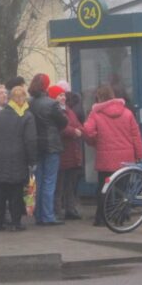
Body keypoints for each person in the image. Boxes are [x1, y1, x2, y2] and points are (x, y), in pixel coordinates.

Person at [83, 84, 142, 226]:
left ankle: (101, 218)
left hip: (106, 159)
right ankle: (120, 217)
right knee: (122, 189)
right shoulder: (127, 113)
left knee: (103, 189)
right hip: (126, 159)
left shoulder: (96, 114)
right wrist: (139, 154)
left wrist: (94, 141)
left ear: (99, 97)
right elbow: (136, 136)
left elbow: (87, 130)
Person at [0, 85, 38, 231]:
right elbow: (30, 141)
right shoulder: (27, 116)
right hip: (18, 159)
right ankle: (16, 223)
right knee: (15, 192)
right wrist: (32, 160)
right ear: (23, 99)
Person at [29, 73, 67, 225]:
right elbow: (63, 122)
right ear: (46, 86)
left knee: (37, 181)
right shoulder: (51, 104)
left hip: (36, 146)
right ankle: (48, 215)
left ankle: (38, 215)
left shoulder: (29, 103)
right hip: (51, 145)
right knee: (49, 181)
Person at [57, 91, 85, 221]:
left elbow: (77, 123)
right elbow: (61, 127)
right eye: (59, 95)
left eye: (63, 95)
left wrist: (80, 130)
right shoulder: (56, 110)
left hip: (72, 151)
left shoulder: (68, 110)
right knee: (59, 184)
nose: (63, 98)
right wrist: (75, 131)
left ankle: (70, 209)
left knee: (70, 183)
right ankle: (57, 210)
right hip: (63, 151)